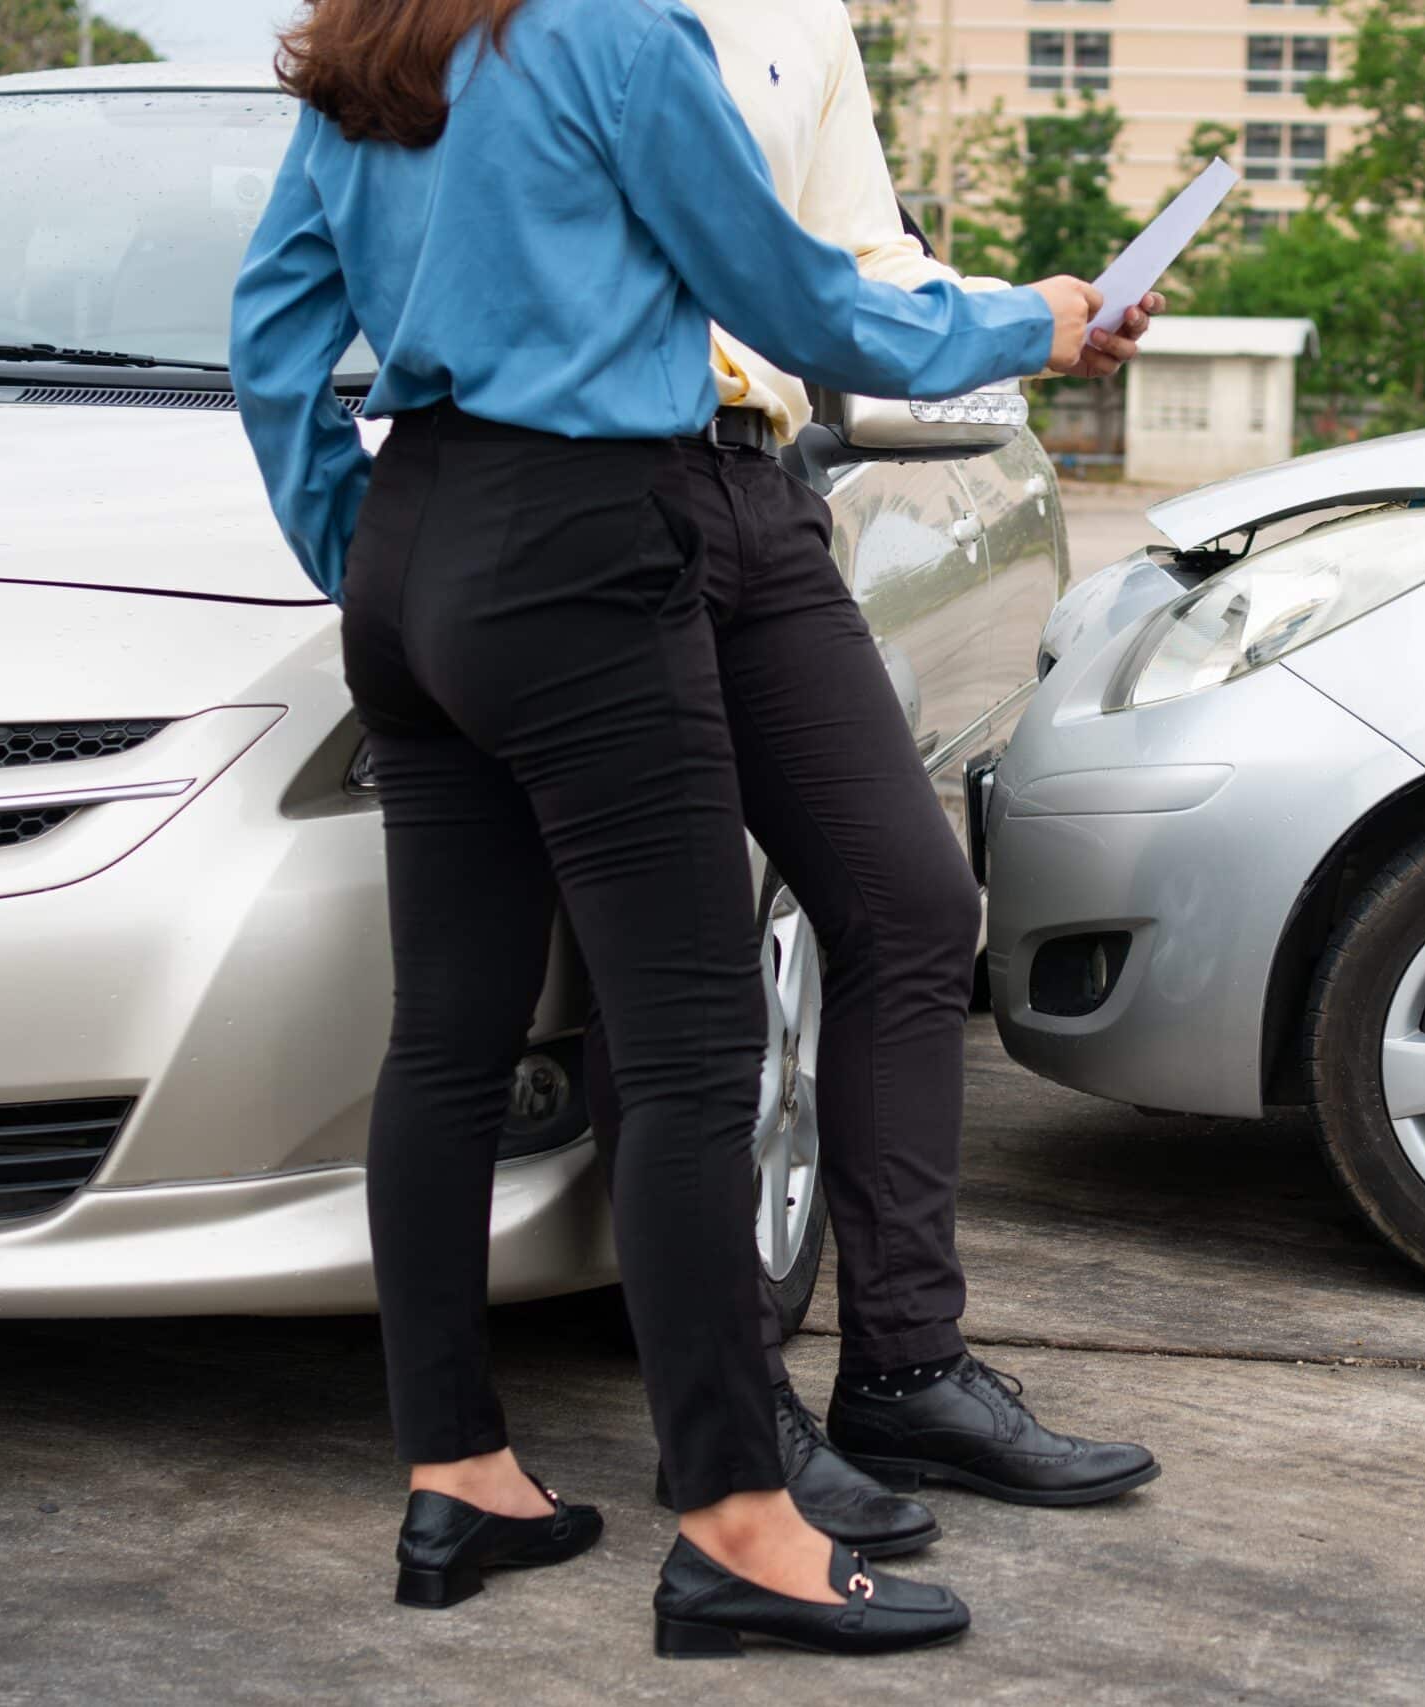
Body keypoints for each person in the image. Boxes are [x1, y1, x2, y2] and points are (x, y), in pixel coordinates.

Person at [230, 0, 1102, 1660]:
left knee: (445, 1043)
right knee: (696, 1044)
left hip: (418, 543)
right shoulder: (620, 39)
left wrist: (376, 550)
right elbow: (797, 299)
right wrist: (1029, 323)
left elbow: (274, 331)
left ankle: (460, 1474)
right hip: (581, 540)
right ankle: (732, 1527)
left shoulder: (367, 47)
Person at [579, 0, 1164, 1560]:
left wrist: (1028, 316)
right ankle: (727, 1417)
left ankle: (903, 1366)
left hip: (756, 486)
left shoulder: (799, 15)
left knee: (911, 902)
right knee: (692, 977)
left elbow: (855, 265)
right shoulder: (527, 22)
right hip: (584, 495)